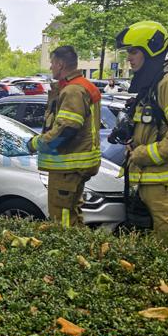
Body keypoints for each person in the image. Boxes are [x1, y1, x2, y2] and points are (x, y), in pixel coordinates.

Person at [115, 20, 168, 240]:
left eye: (133, 51)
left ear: (150, 49)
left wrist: (143, 154)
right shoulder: (154, 83)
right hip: (152, 183)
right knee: (153, 256)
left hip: (167, 187)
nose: (129, 58)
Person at [28, 46, 102, 227]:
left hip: (68, 166)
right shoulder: (82, 85)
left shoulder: (72, 90)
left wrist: (37, 143)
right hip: (77, 164)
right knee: (72, 212)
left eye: (52, 63)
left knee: (61, 218)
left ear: (60, 64)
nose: (50, 67)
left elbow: (67, 129)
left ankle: (67, 253)